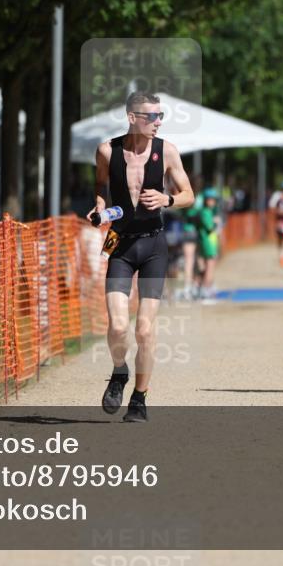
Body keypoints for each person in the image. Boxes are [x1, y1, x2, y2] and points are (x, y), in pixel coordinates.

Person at [88, 91, 194, 423]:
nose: (158, 122)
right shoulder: (107, 151)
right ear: (132, 117)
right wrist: (100, 208)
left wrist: (167, 200)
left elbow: (188, 193)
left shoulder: (168, 152)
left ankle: (140, 398)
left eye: (161, 116)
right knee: (118, 325)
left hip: (153, 246)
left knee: (144, 329)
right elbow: (101, 188)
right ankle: (120, 372)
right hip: (120, 245)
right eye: (152, 117)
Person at [195, 188, 221, 300]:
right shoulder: (206, 212)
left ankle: (205, 287)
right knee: (210, 266)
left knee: (207, 266)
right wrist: (216, 222)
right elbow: (210, 227)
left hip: (209, 242)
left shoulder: (208, 211)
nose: (214, 202)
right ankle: (206, 290)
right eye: (212, 200)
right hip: (208, 242)